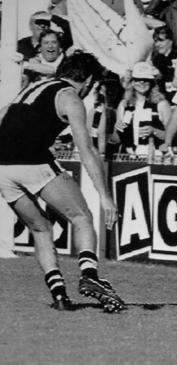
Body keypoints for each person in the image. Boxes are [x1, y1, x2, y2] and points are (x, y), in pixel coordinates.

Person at [0, 52, 124, 312]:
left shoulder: (33, 87)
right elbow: (86, 149)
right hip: (32, 162)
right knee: (81, 217)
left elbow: (3, 114)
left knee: (41, 228)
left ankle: (59, 295)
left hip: (2, 168)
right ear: (88, 80)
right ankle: (89, 277)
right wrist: (105, 195)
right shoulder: (70, 96)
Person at [114, 62, 171, 157]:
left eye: (145, 80)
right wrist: (117, 129)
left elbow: (171, 136)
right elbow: (116, 139)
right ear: (132, 82)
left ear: (152, 82)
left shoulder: (161, 104)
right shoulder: (124, 105)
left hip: (155, 156)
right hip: (128, 158)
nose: (141, 83)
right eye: (138, 79)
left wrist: (154, 131)